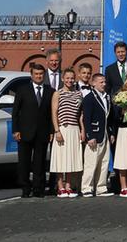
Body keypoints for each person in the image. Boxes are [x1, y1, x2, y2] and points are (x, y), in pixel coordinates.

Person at [12, 63, 54, 198]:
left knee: (40, 163)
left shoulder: (50, 91)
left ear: (44, 75)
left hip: (42, 132)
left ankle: (38, 188)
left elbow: (52, 113)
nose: (39, 76)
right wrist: (15, 130)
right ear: (32, 75)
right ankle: (25, 187)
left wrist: (52, 131)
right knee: (24, 162)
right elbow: (15, 112)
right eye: (36, 74)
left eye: (41, 74)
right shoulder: (22, 89)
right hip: (24, 132)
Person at [50, 67, 83, 197]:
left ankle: (68, 186)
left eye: (72, 78)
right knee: (60, 159)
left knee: (71, 159)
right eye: (67, 78)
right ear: (63, 79)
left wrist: (82, 130)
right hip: (63, 128)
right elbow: (54, 112)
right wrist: (57, 130)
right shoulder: (57, 93)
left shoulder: (78, 94)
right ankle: (60, 187)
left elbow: (81, 114)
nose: (70, 80)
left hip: (74, 129)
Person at [80, 73, 114, 197]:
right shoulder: (89, 98)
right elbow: (86, 118)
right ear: (93, 83)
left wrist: (110, 132)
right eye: (101, 82)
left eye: (104, 82)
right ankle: (86, 187)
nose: (104, 84)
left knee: (104, 161)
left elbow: (108, 118)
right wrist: (90, 135)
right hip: (94, 133)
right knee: (91, 162)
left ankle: (101, 187)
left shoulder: (107, 97)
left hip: (104, 133)